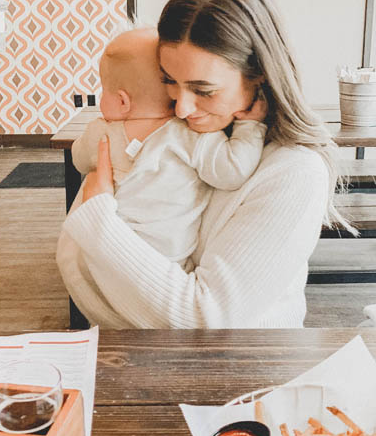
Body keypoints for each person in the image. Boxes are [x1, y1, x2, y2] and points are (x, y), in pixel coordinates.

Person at [57, 0, 348, 329]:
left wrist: (98, 221)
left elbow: (204, 319)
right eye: (170, 82)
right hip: (141, 355)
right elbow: (84, 263)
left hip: (239, 372)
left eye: (204, 90)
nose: (181, 107)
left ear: (259, 76)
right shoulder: (178, 132)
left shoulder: (295, 173)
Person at [68, 26, 267, 268]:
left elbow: (78, 158)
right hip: (170, 259)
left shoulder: (101, 134)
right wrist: (250, 126)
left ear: (122, 101)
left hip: (108, 254)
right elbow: (233, 171)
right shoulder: (190, 136)